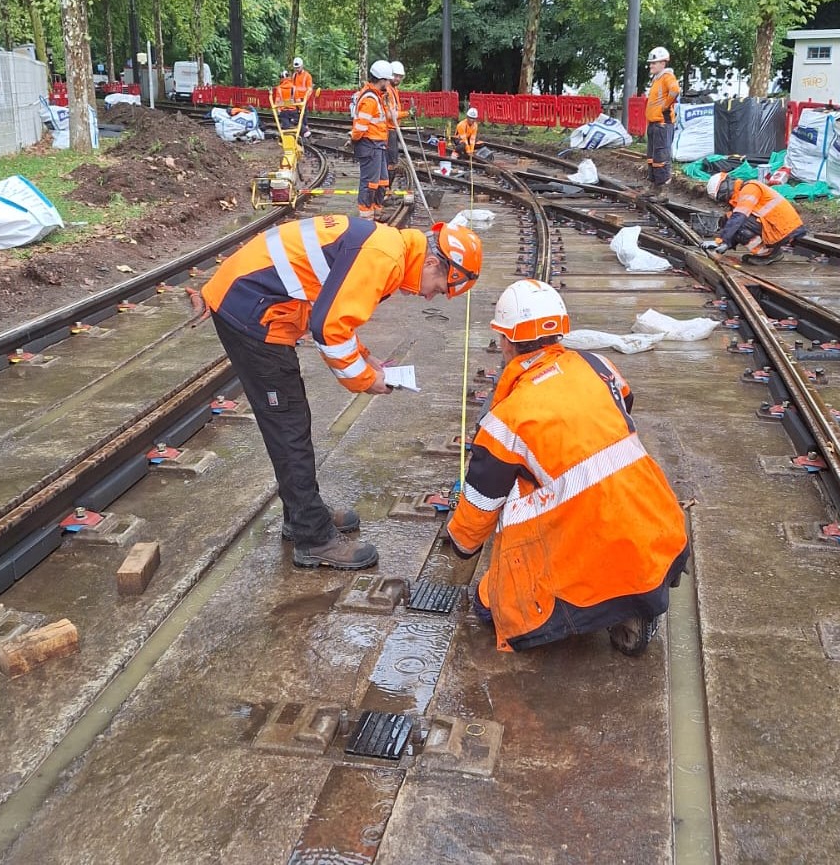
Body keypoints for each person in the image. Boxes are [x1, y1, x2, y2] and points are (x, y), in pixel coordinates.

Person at [201, 215, 483, 569]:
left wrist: (365, 357)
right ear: (430, 263)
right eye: (438, 288)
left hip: (253, 297)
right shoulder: (385, 259)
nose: (428, 295)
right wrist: (366, 379)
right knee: (288, 425)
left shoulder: (388, 247)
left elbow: (335, 307)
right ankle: (312, 537)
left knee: (291, 421)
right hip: (249, 309)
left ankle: (303, 513)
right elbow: (328, 329)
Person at [446, 279, 689, 655]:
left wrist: (461, 545)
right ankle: (633, 603)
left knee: (488, 604)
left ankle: (593, 607)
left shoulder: (508, 417)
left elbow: (481, 503)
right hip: (657, 530)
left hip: (582, 547)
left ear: (506, 341)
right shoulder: (599, 365)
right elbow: (624, 404)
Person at [701, 172, 807, 264]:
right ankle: (769, 251)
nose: (724, 200)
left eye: (721, 196)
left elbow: (739, 218)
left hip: (784, 229)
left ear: (725, 188)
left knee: (737, 223)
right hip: (778, 226)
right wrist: (726, 244)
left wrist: (720, 241)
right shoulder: (741, 193)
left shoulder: (750, 189)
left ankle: (768, 254)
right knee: (728, 219)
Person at [351, 60, 393, 219]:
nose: (389, 84)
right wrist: (354, 139)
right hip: (370, 145)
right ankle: (366, 217)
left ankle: (376, 212)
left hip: (378, 146)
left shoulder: (378, 97)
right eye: (387, 81)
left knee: (382, 181)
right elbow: (360, 127)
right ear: (381, 80)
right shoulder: (370, 100)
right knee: (369, 182)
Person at [644, 47, 680, 196]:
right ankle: (654, 187)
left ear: (663, 63)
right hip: (654, 124)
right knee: (652, 157)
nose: (651, 65)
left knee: (661, 156)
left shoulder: (667, 77)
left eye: (654, 63)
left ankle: (663, 191)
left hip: (662, 124)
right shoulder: (657, 79)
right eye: (651, 63)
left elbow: (675, 90)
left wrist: (665, 106)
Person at [385, 60, 405, 192]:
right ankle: (386, 189)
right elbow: (390, 114)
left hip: (393, 129)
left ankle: (386, 189)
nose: (397, 78)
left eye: (400, 76)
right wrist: (407, 113)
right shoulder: (388, 91)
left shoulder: (394, 90)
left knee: (392, 162)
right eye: (395, 75)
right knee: (391, 162)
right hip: (388, 129)